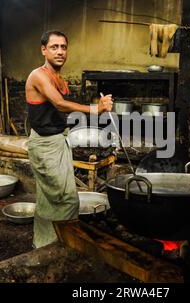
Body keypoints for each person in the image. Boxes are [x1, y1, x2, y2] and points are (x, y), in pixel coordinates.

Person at [25, 30, 113, 248]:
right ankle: (60, 245)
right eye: (54, 47)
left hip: (58, 141)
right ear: (43, 50)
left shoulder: (59, 78)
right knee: (66, 200)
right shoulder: (39, 75)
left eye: (63, 47)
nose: (60, 51)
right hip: (45, 145)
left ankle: (44, 244)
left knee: (48, 198)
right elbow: (60, 104)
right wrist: (96, 109)